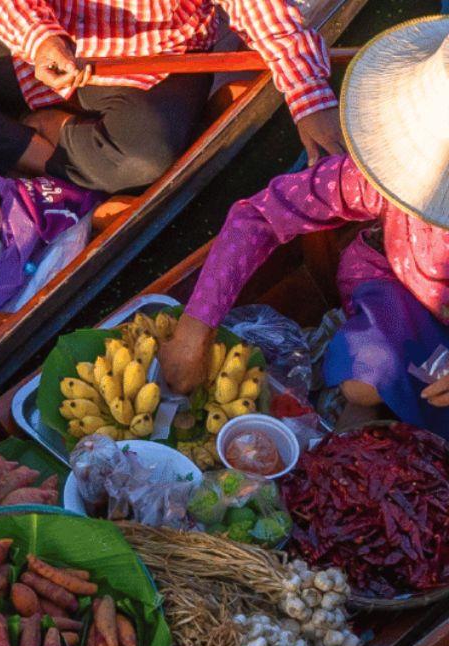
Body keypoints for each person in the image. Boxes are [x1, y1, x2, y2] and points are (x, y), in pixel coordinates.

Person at [160, 16, 449, 437]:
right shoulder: (384, 181)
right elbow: (258, 215)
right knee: (363, 385)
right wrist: (194, 328)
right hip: (397, 290)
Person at [0, 0, 344, 194]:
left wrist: (311, 99)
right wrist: (39, 40)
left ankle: (53, 133)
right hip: (40, 38)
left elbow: (261, 12)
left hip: (157, 55)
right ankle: (34, 146)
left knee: (139, 161)